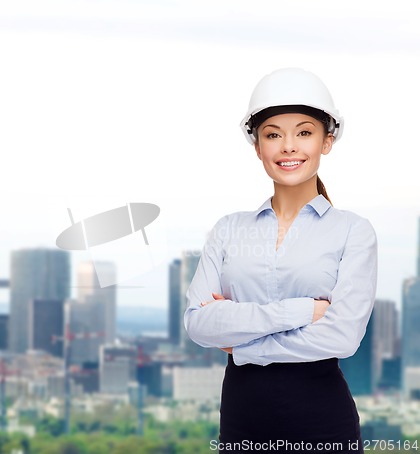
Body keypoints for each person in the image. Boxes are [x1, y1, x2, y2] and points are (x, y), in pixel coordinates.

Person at [183, 68, 378, 453]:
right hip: (241, 423)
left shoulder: (353, 231)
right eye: (273, 134)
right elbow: (199, 323)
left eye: (304, 132)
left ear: (327, 141)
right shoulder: (228, 229)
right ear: (258, 147)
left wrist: (242, 345)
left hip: (323, 424)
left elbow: (343, 336)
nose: (289, 146)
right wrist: (303, 310)